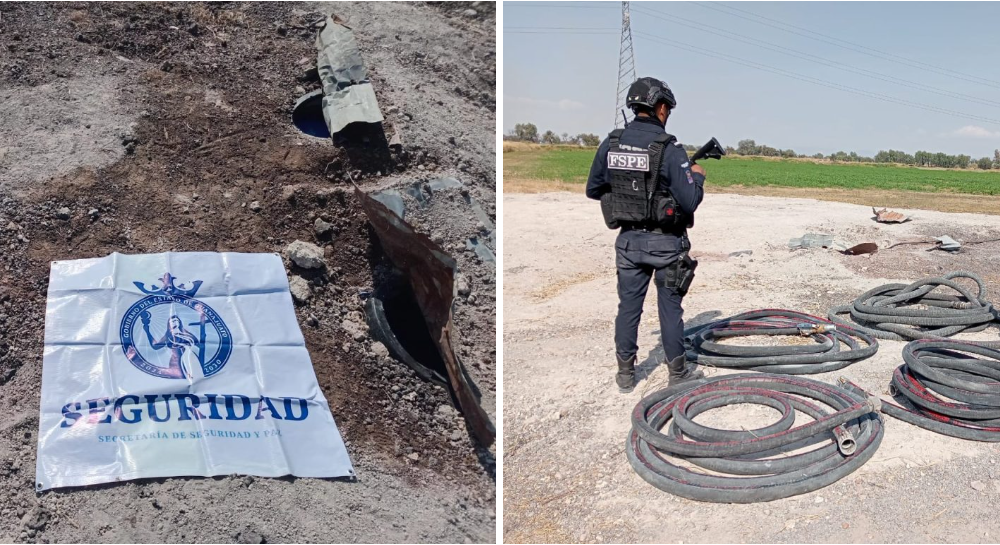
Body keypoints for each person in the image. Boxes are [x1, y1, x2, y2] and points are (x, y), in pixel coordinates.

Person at [585, 77, 706, 393]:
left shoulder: (612, 142)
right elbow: (690, 200)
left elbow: (594, 189)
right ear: (661, 107)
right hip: (666, 244)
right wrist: (697, 177)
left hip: (628, 243)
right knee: (670, 308)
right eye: (668, 109)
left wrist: (627, 194)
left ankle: (626, 374)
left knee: (628, 307)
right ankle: (677, 374)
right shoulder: (669, 148)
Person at [141, 307, 208, 379]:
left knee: (196, 376)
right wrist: (147, 331)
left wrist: (202, 327)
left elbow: (200, 345)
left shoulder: (187, 335)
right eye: (172, 321)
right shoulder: (168, 336)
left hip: (192, 358)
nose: (174, 322)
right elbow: (155, 346)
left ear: (179, 322)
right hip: (176, 362)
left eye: (176, 320)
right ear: (169, 324)